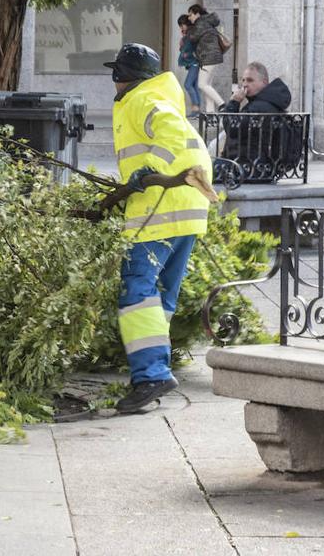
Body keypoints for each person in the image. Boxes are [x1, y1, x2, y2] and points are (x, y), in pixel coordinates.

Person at [103, 43, 213, 413]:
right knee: (162, 292)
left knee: (136, 287)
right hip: (188, 204)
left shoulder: (141, 99)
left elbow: (170, 137)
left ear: (122, 76)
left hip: (161, 205)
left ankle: (151, 374)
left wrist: (146, 171)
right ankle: (154, 364)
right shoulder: (157, 94)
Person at [218, 62, 293, 178]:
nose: (244, 85)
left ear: (264, 82)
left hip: (247, 169)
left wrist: (234, 102)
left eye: (250, 80)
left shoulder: (259, 107)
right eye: (243, 80)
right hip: (258, 168)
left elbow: (232, 129)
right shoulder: (270, 102)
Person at [185, 4, 225, 112]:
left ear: (197, 13)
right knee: (207, 86)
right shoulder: (207, 21)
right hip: (213, 57)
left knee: (202, 84)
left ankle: (222, 104)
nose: (189, 18)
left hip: (208, 57)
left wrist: (188, 30)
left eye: (190, 15)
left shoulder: (201, 22)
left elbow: (193, 38)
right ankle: (210, 114)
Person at [177, 15, 201, 117]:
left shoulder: (191, 34)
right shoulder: (187, 34)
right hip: (193, 63)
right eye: (180, 26)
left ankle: (195, 108)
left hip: (194, 63)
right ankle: (197, 111)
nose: (181, 27)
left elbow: (189, 47)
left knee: (187, 84)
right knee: (194, 86)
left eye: (182, 25)